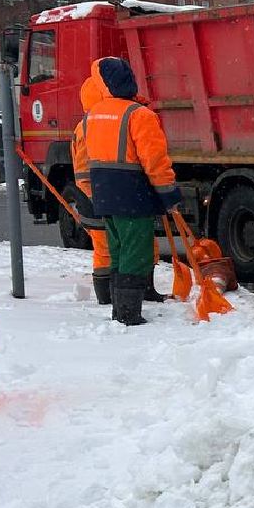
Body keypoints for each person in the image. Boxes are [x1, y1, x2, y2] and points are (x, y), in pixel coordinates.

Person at [83, 57, 181, 326]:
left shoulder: (93, 115)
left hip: (104, 193)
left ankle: (119, 310)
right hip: (132, 194)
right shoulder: (139, 115)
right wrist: (169, 195)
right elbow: (155, 161)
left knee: (118, 252)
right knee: (136, 254)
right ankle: (129, 314)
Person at [70, 75, 114, 304]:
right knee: (104, 246)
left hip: (97, 194)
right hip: (95, 196)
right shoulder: (91, 126)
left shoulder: (90, 124)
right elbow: (85, 169)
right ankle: (105, 295)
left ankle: (111, 292)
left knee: (107, 246)